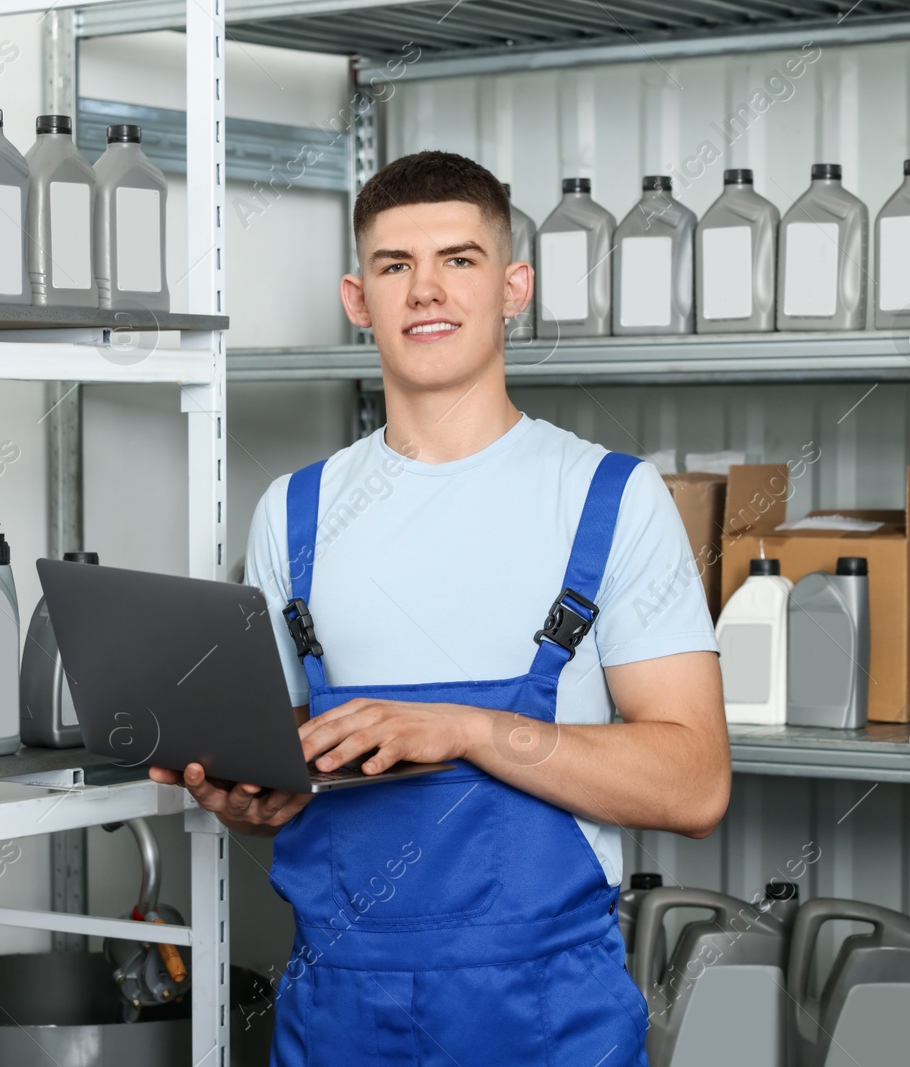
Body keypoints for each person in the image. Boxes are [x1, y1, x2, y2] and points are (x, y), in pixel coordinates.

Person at [149, 150, 730, 1065]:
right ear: (357, 298)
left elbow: (696, 783)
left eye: (459, 260)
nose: (426, 290)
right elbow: (294, 767)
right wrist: (244, 800)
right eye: (395, 266)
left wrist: (461, 729)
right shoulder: (293, 513)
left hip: (543, 1015)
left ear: (513, 286)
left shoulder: (609, 499)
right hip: (337, 1012)